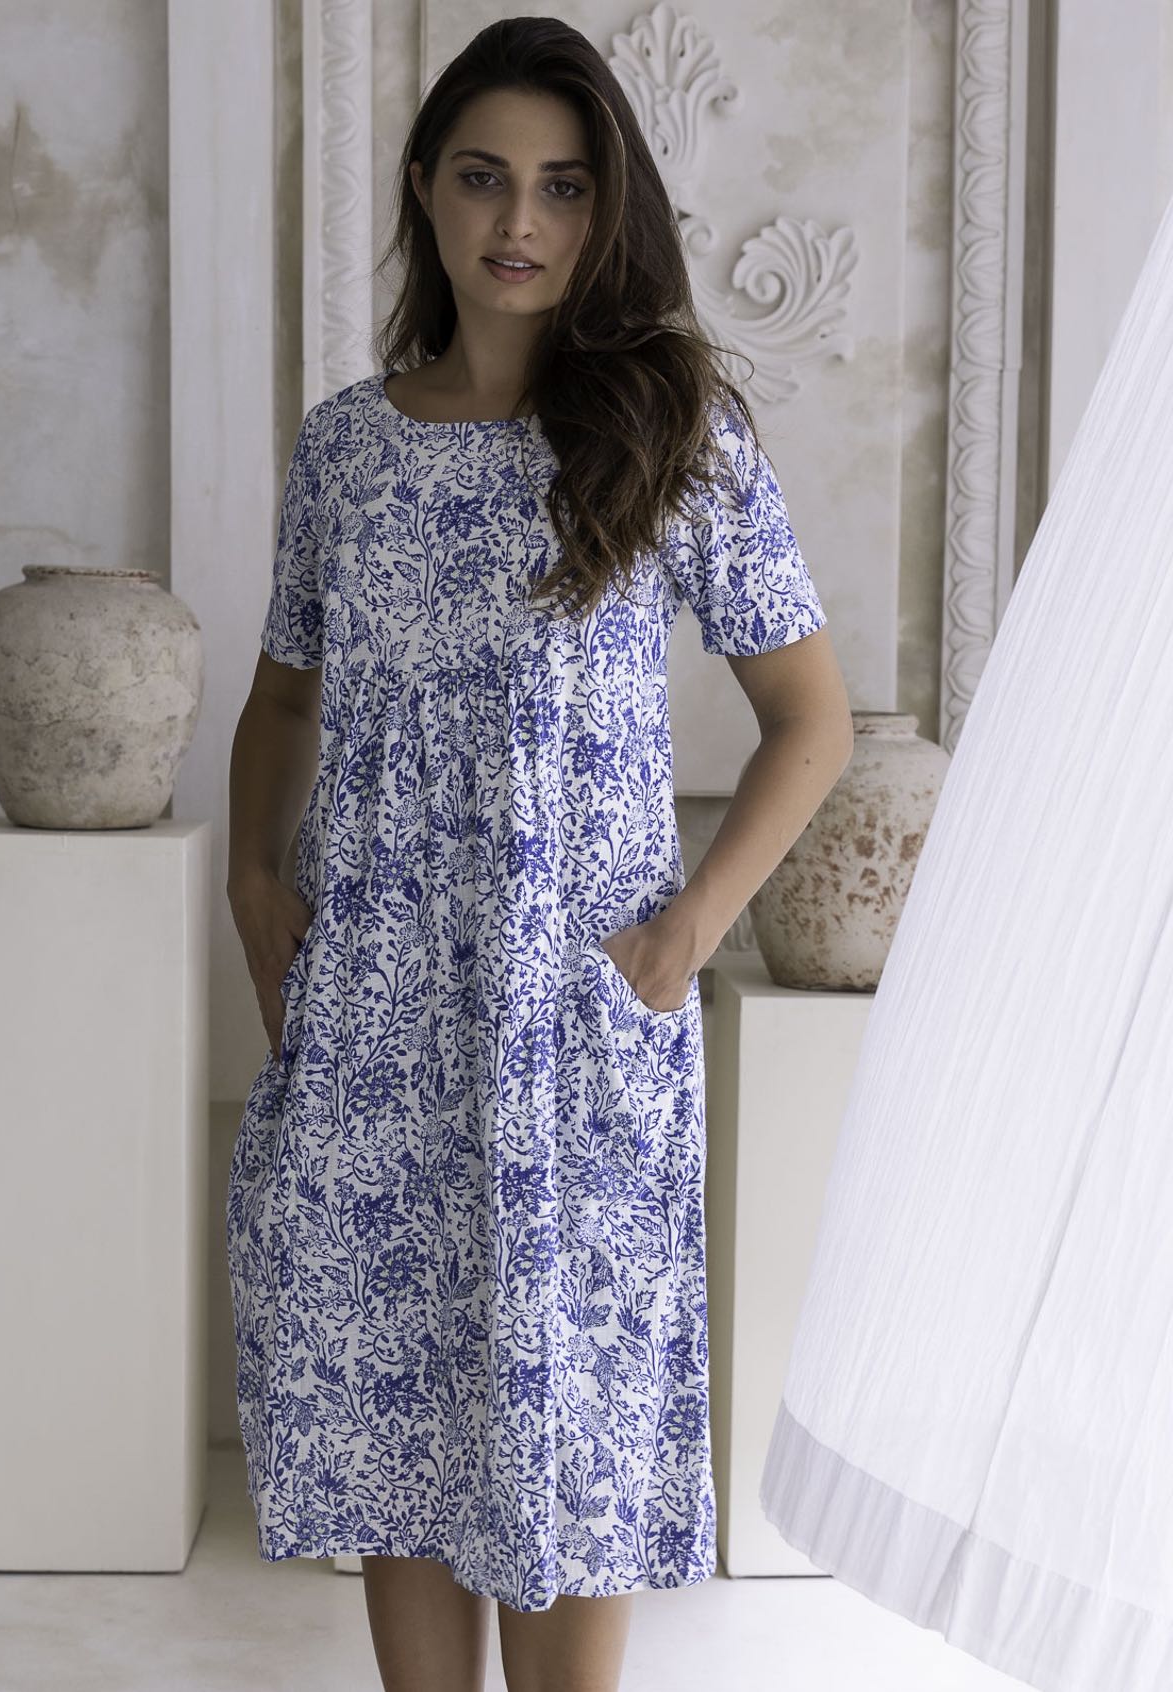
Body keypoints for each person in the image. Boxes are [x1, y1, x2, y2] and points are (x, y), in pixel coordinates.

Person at [225, 16, 852, 1692]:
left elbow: (815, 723)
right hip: (374, 1019)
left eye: (565, 187)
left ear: (608, 210)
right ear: (426, 194)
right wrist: (255, 894)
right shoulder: (348, 449)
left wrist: (682, 940)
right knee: (405, 1413)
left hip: (576, 1027)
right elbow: (284, 699)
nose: (524, 219)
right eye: (487, 177)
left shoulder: (671, 433)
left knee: (571, 1432)